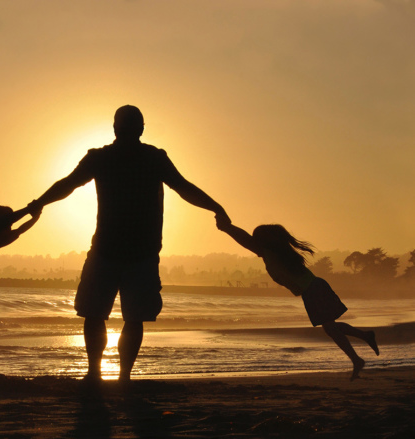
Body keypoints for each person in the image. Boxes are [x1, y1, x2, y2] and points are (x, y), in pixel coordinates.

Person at [28, 105, 230, 383]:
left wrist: (39, 203)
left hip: (110, 251)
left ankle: (95, 373)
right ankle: (122, 376)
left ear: (114, 128)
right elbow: (183, 187)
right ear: (141, 129)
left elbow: (68, 184)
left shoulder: (104, 158)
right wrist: (216, 207)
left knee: (95, 314)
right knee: (130, 318)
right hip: (139, 253)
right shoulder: (152, 158)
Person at [216, 220, 379, 381]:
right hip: (314, 288)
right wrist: (227, 227)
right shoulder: (280, 253)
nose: (254, 242)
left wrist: (227, 228)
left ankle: (357, 358)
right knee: (331, 327)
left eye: (257, 238)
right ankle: (364, 338)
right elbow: (247, 240)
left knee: (330, 327)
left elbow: (244, 239)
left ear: (264, 241)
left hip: (313, 289)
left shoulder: (272, 253)